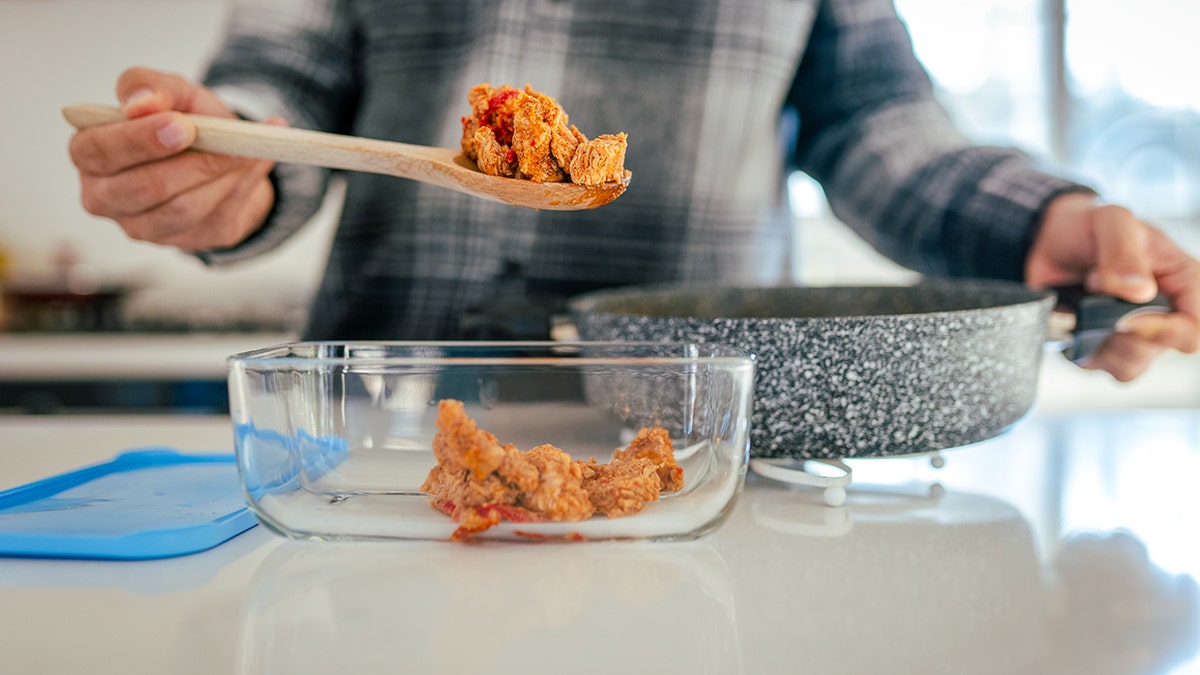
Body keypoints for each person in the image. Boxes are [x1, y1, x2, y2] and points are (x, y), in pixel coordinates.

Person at [68, 0, 1199, 382]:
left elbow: (879, 133)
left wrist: (1049, 221)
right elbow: (281, 101)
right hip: (379, 421)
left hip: (698, 422)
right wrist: (220, 167)